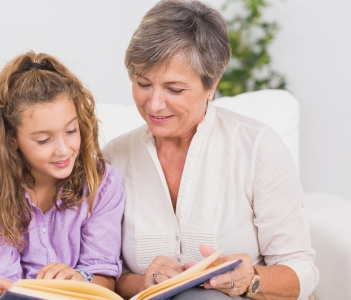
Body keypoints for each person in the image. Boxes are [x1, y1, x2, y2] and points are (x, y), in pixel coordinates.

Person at [103, 0, 319, 299]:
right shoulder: (114, 157)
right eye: (143, 83)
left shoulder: (257, 147)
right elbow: (103, 271)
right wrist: (143, 282)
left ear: (212, 84)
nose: (153, 104)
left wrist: (251, 278)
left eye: (174, 89)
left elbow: (301, 270)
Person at [0, 51, 125, 300]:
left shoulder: (102, 183)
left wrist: (79, 279)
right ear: (11, 139)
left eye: (71, 130)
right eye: (44, 140)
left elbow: (104, 275)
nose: (64, 149)